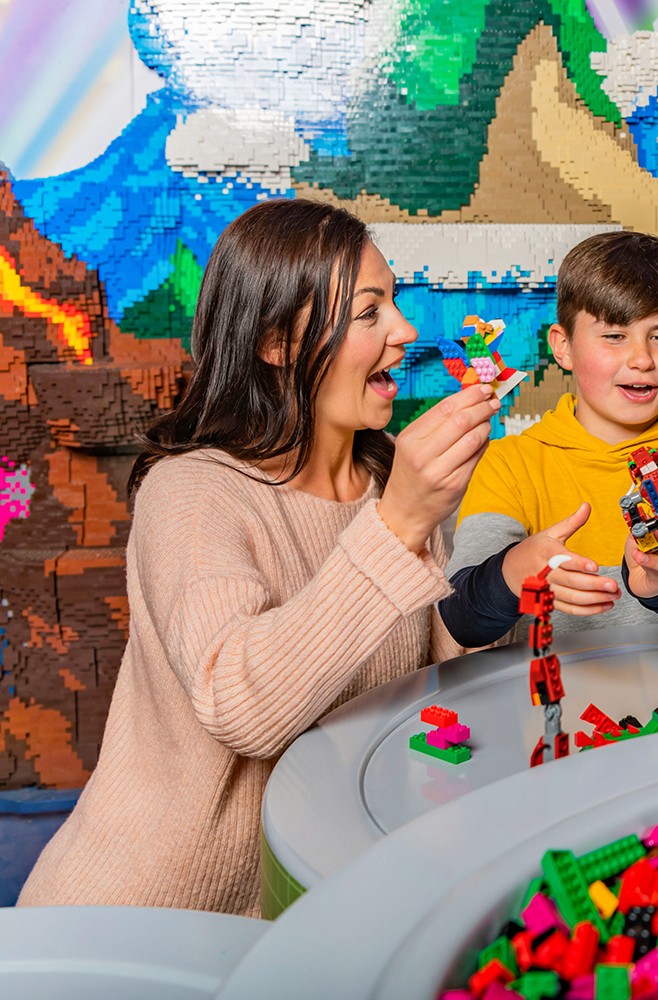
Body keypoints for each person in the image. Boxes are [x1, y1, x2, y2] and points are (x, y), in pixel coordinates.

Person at [18, 200, 496, 914]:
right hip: (145, 923)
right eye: (369, 314)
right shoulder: (191, 493)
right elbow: (240, 706)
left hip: (303, 906)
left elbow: (425, 680)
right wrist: (398, 524)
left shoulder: (387, 475)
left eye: (392, 302)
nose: (405, 331)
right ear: (276, 342)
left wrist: (508, 586)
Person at [440, 231, 658, 646]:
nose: (641, 359)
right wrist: (515, 571)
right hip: (552, 704)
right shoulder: (509, 463)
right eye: (614, 336)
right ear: (564, 346)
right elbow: (461, 618)